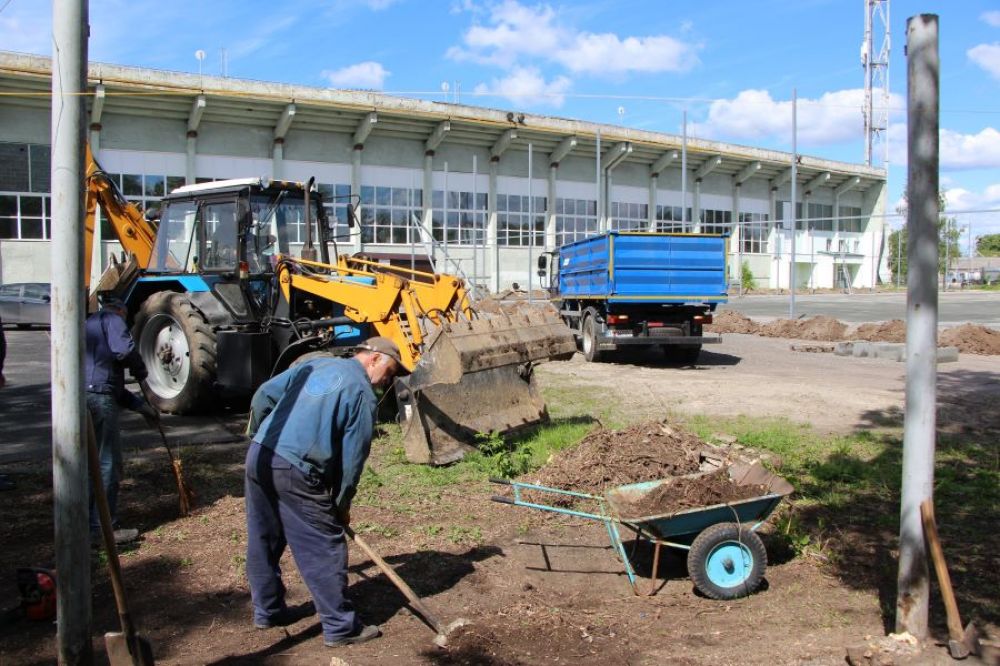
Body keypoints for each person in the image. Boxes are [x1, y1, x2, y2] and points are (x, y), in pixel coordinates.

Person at [244, 336, 406, 648]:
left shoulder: (317, 363)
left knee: (264, 536)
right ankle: (341, 627)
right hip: (295, 469)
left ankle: (268, 610)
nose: (387, 381)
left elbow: (264, 394)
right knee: (323, 544)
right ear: (373, 358)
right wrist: (341, 505)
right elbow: (352, 460)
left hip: (259, 456)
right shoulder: (362, 393)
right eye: (389, 373)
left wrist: (259, 435)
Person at [85, 296, 159, 544]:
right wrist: (140, 369)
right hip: (98, 399)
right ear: (121, 312)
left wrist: (142, 408)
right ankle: (103, 529)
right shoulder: (112, 319)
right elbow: (125, 351)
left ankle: (87, 523)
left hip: (81, 397)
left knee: (90, 464)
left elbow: (112, 387)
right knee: (107, 463)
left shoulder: (88, 325)